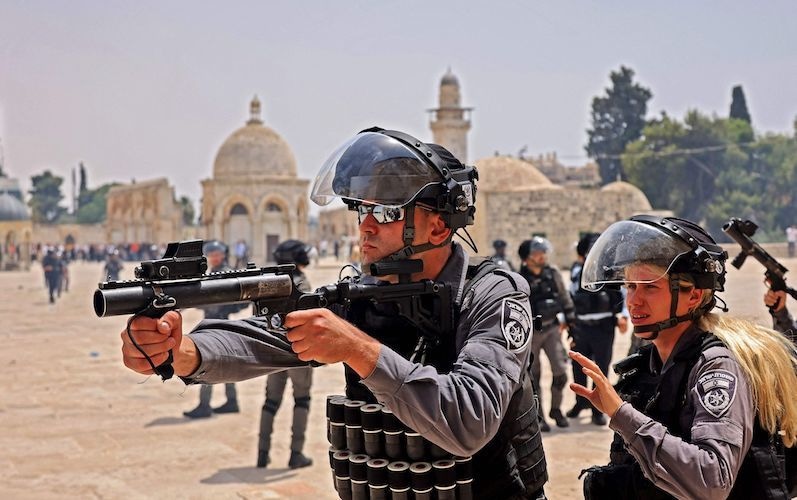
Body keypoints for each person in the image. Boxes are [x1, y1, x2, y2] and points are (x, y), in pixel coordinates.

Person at [120, 127, 548, 498]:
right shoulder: (361, 296)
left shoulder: (494, 295)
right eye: (362, 209)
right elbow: (264, 337)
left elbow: (469, 420)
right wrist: (182, 352)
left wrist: (357, 348)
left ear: (438, 225)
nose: (366, 226)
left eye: (386, 211)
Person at [571, 215, 797, 499]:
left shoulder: (716, 367)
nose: (633, 301)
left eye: (650, 286)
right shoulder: (650, 363)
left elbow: (713, 480)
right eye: (630, 286)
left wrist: (621, 414)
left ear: (693, 296)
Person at [257, 239, 315, 469]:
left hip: (273, 351)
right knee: (302, 400)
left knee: (271, 401)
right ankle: (296, 454)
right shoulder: (301, 283)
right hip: (297, 352)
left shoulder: (271, 283)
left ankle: (262, 453)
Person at [566, 232, 628, 425]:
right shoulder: (577, 271)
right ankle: (580, 402)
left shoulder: (610, 272)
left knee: (600, 368)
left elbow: (623, 293)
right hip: (581, 325)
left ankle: (597, 409)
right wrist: (566, 319)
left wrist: (624, 315)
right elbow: (569, 294)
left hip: (604, 326)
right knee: (578, 366)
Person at [183, 240, 245, 419]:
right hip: (217, 321)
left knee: (208, 364)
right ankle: (232, 401)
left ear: (222, 254)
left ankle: (204, 405)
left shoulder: (223, 273)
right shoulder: (216, 272)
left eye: (216, 254)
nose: (213, 257)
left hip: (218, 322)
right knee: (226, 364)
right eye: (211, 254)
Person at [518, 236, 575, 431]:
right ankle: (539, 414)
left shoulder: (553, 274)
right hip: (531, 333)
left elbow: (565, 298)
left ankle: (556, 410)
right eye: (536, 253)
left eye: (543, 253)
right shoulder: (520, 279)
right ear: (526, 258)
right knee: (533, 376)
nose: (541, 256)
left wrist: (572, 324)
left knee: (560, 372)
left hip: (552, 330)